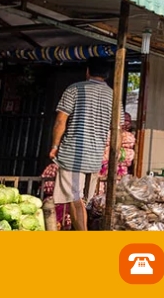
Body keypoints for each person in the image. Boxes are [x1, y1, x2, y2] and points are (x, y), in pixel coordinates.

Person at [47, 59, 114, 231]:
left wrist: (55, 146)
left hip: (73, 155)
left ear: (87, 71)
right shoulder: (114, 96)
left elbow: (61, 120)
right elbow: (117, 129)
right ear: (107, 75)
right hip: (95, 159)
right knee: (80, 200)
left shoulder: (74, 89)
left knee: (75, 200)